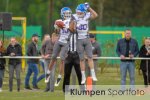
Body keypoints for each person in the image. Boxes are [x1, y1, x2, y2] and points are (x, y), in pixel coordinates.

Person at [45, 7, 73, 84]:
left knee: (62, 59)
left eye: (68, 13)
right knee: (53, 57)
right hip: (59, 40)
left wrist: (66, 26)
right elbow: (56, 32)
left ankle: (60, 76)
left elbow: (73, 30)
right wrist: (57, 27)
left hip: (66, 42)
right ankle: (48, 72)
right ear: (62, 14)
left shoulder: (72, 21)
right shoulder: (59, 21)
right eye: (65, 14)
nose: (67, 15)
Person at [72, 3, 98, 84]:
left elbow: (95, 15)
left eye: (80, 12)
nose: (78, 13)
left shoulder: (86, 15)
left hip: (86, 39)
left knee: (90, 57)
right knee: (82, 59)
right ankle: (83, 76)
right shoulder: (74, 16)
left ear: (84, 12)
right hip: (79, 39)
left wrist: (89, 8)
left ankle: (93, 74)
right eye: (78, 12)